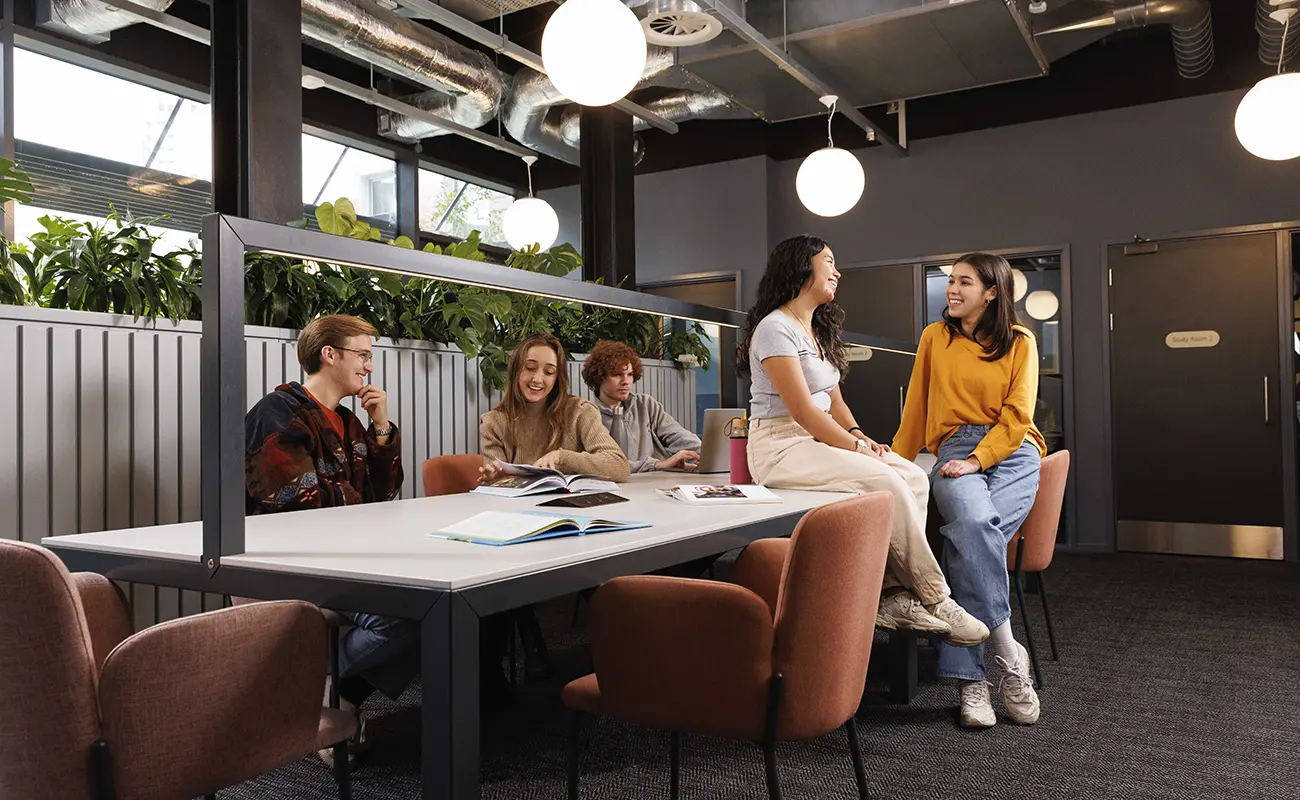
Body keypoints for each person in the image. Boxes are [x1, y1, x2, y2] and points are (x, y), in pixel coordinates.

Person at [740, 235, 987, 647]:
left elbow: (834, 401)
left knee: (913, 477)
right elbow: (802, 412)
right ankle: (937, 597)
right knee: (886, 483)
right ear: (802, 268)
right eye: (829, 263)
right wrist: (855, 449)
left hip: (817, 440)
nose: (837, 272)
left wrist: (860, 437)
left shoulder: (813, 329)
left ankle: (892, 594)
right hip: (780, 446)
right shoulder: (774, 328)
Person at [244, 314, 410, 763]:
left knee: (437, 611)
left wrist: (380, 429)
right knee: (403, 618)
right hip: (294, 561)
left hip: (347, 555)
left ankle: (340, 694)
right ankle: (320, 679)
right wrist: (359, 507)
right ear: (329, 355)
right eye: (363, 355)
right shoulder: (275, 415)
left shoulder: (349, 423)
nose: (369, 367)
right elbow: (298, 505)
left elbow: (385, 495)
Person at [893, 253, 1046, 730]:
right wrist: (896, 465)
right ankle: (1004, 650)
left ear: (992, 292)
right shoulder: (935, 338)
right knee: (976, 527)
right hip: (953, 447)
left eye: (964, 282)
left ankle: (969, 680)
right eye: (950, 281)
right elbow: (916, 409)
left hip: (1015, 451)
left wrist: (980, 459)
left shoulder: (1020, 341)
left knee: (966, 539)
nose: (951, 290)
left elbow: (1019, 416)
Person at [480, 333, 631, 483]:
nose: (537, 379)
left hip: (572, 506)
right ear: (515, 371)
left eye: (549, 372)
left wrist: (561, 457)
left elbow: (620, 468)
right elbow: (498, 487)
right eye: (530, 368)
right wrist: (495, 479)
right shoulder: (492, 422)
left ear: (557, 378)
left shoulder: (580, 411)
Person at [581, 339, 702, 472]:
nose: (626, 381)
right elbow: (606, 464)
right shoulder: (588, 415)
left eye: (630, 374)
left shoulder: (645, 405)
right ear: (599, 377)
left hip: (658, 484)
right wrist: (656, 465)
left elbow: (679, 436)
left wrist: (704, 453)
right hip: (621, 486)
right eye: (617, 375)